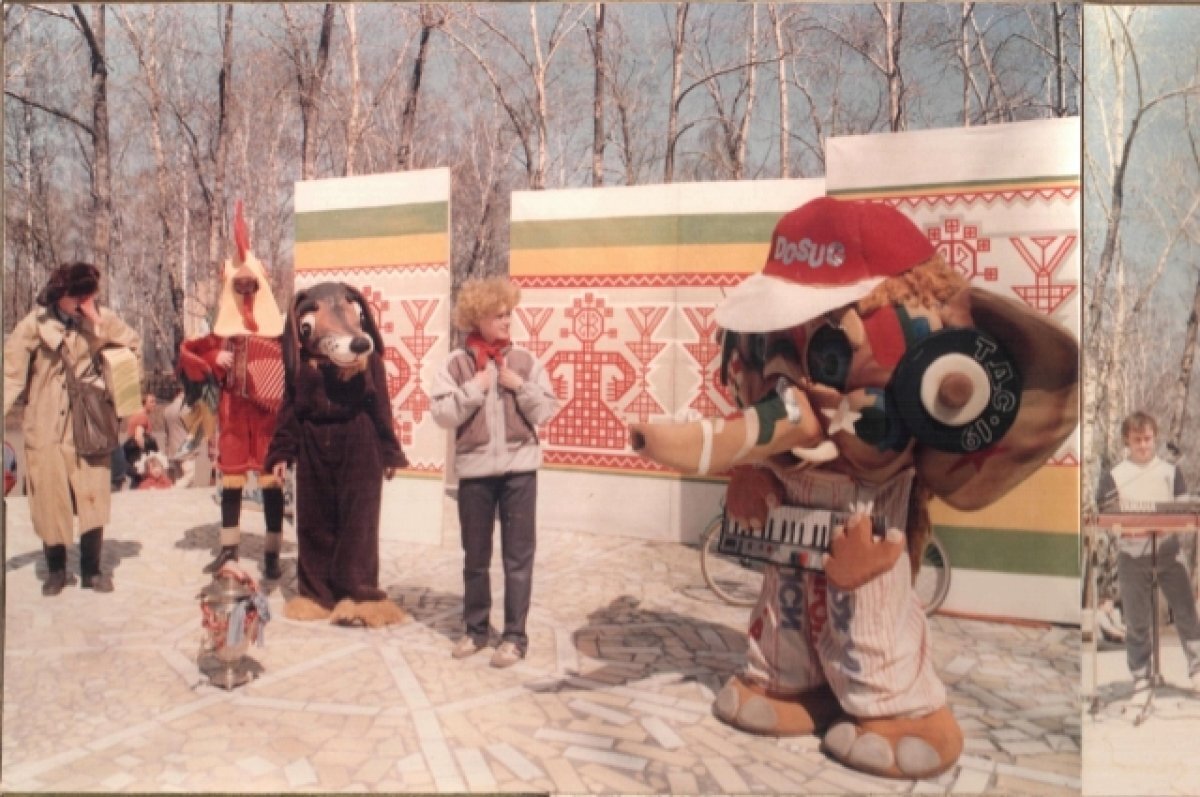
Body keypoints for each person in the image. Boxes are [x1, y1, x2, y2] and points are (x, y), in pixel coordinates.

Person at [431, 276, 559, 668]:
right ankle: (476, 631)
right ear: (478, 318)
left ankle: (515, 638)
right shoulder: (456, 364)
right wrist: (475, 388)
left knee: (518, 557)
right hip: (474, 475)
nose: (507, 321)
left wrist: (519, 386)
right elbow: (441, 414)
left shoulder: (524, 361)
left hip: (521, 472)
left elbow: (546, 409)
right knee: (476, 557)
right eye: (499, 315)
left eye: (509, 313)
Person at [3, 262, 141, 595]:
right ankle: (56, 570)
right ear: (61, 294)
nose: (86, 301)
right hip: (46, 424)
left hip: (88, 424)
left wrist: (99, 324)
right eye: (79, 296)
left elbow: (133, 348)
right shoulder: (32, 326)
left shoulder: (99, 320)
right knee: (50, 497)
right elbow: (10, 375)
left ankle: (92, 570)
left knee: (93, 493)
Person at [1097, 411, 1200, 692]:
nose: (1143, 445)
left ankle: (1197, 670)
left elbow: (1183, 511)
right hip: (1132, 551)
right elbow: (1107, 515)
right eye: (1137, 440)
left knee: (1185, 611)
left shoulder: (1171, 471)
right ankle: (1141, 676)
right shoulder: (1114, 476)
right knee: (1136, 617)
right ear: (1127, 441)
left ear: (1155, 438)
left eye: (1148, 439)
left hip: (1168, 548)